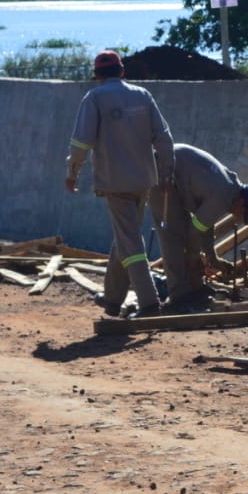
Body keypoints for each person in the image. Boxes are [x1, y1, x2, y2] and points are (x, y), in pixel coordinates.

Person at [65, 49, 174, 318]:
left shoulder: (95, 98)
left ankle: (149, 304)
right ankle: (113, 300)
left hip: (116, 183)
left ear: (97, 75)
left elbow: (81, 142)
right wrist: (167, 172)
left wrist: (72, 171)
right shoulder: (142, 96)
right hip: (144, 181)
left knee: (131, 242)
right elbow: (164, 137)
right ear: (122, 71)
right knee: (125, 236)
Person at [149, 143, 248, 310]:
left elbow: (204, 225)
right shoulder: (223, 196)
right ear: (242, 203)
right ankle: (179, 297)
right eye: (242, 214)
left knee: (183, 234)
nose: (238, 217)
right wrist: (195, 258)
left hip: (174, 171)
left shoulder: (230, 188)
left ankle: (194, 289)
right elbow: (195, 231)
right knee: (172, 234)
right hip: (163, 171)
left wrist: (212, 257)